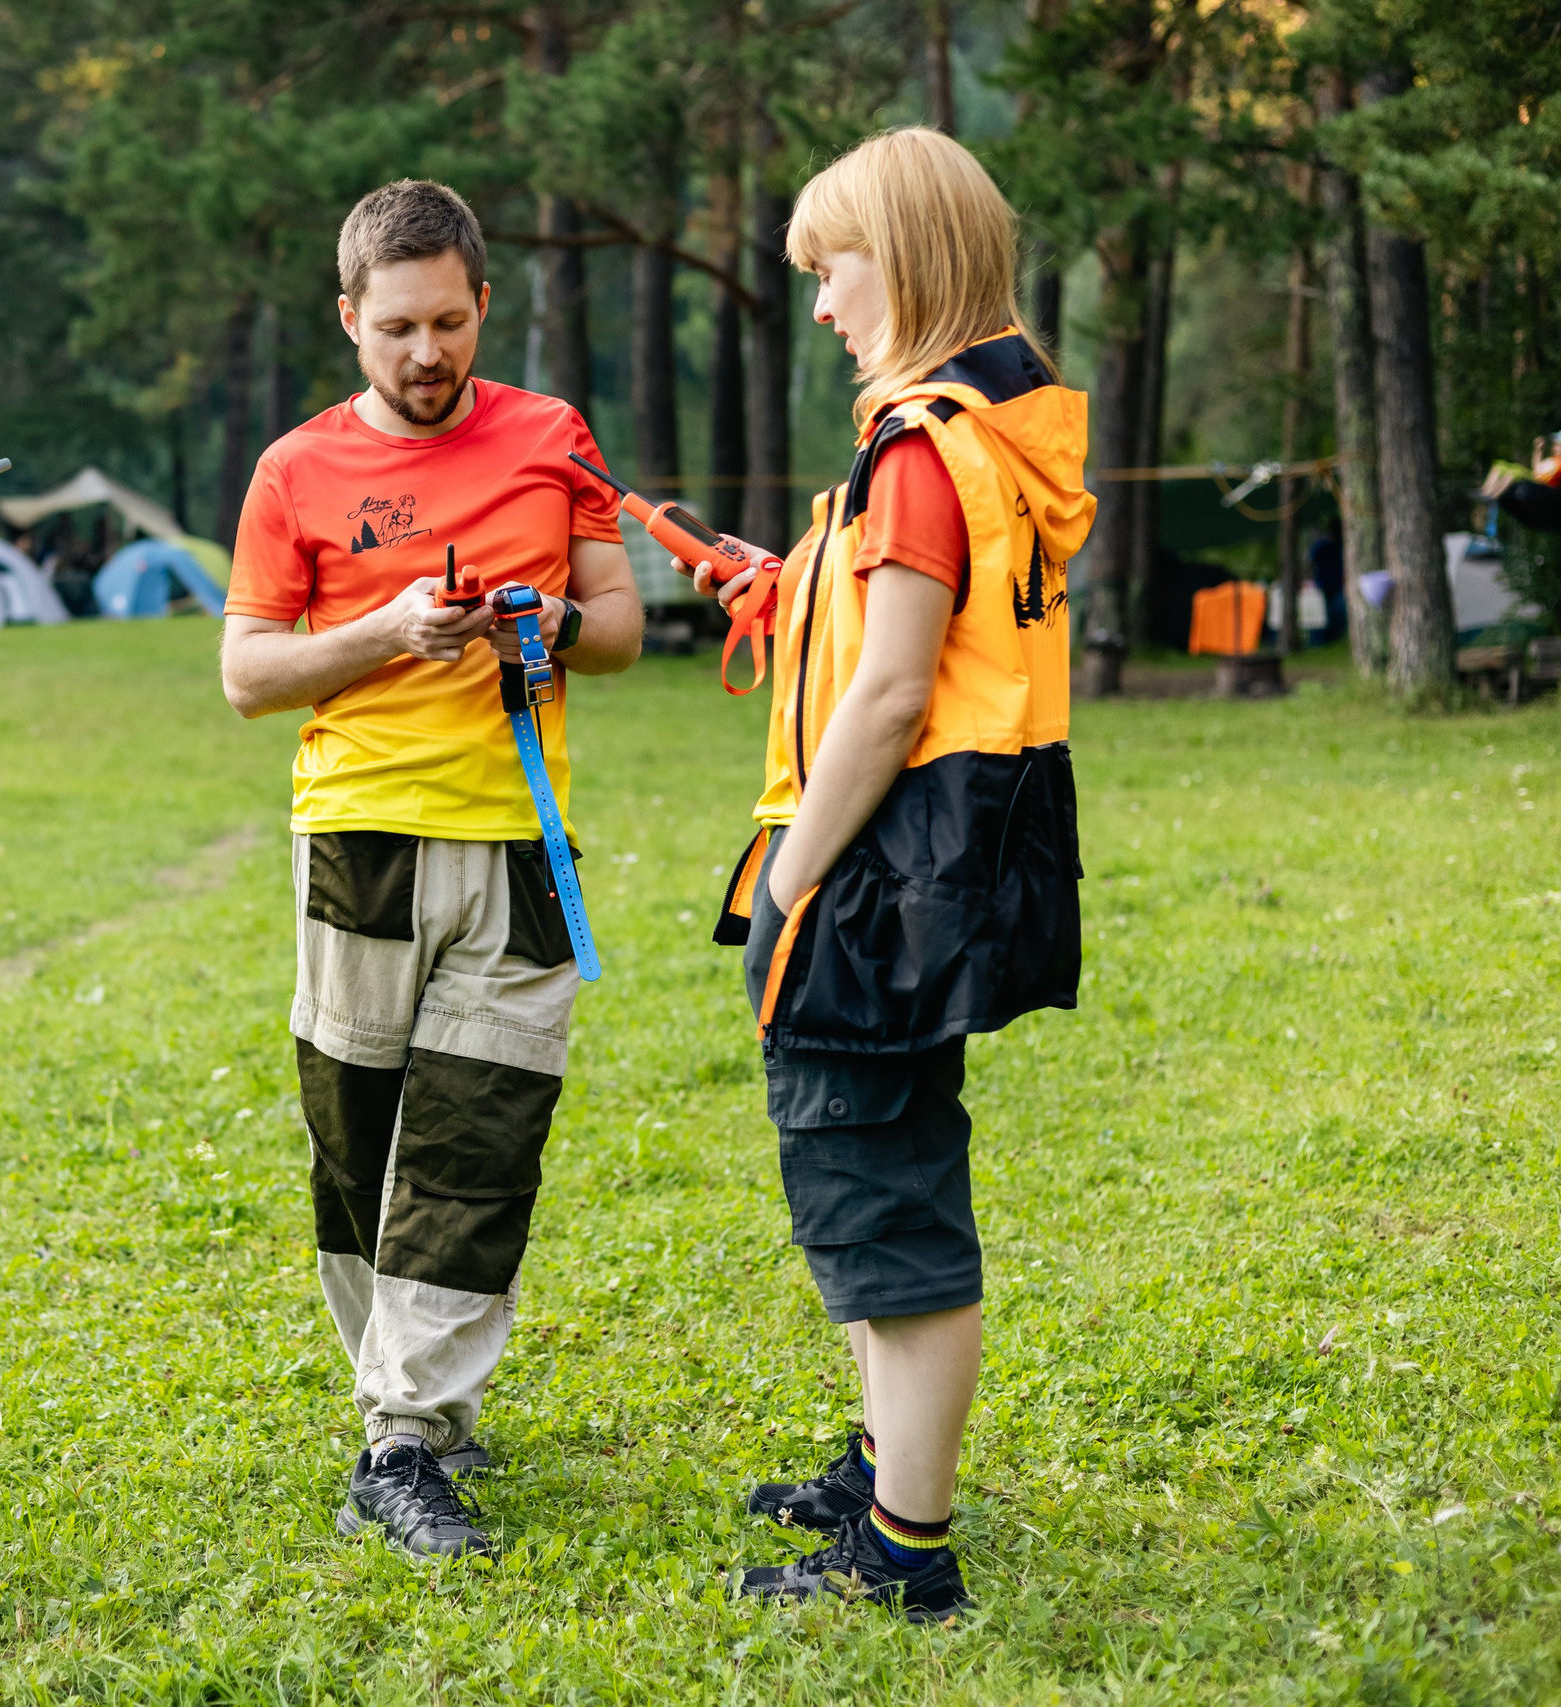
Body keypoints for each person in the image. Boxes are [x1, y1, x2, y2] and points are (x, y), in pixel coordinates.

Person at [686, 128, 1091, 1621]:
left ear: (904, 263)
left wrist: (792, 869)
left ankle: (902, 1553)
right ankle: (879, 1463)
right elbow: (908, 625)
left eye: (833, 271)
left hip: (882, 862)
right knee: (875, 1163)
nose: (820, 308)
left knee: (885, 1207)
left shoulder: (923, 442)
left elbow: (896, 692)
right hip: (954, 855)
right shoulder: (993, 424)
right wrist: (783, 587)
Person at [220, 179, 642, 1557]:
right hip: (361, 838)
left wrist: (554, 623)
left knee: (479, 1143)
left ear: (480, 306)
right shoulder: (294, 471)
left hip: (520, 841)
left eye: (449, 322)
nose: (426, 354)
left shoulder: (550, 438)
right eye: (397, 327)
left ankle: (407, 1435)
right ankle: (400, 1392)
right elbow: (247, 674)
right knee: (357, 1140)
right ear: (350, 319)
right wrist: (387, 636)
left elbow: (626, 628)